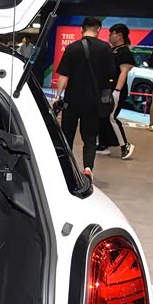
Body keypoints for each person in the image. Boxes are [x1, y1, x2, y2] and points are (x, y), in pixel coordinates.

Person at [54, 17, 117, 181]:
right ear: (99, 30)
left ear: (81, 29)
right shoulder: (105, 48)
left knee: (67, 135)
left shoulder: (72, 48)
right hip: (94, 101)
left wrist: (58, 96)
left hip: (72, 100)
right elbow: (112, 73)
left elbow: (63, 76)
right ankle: (88, 169)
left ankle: (66, 168)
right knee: (89, 138)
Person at [98, 23, 136, 160]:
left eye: (111, 34)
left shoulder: (124, 52)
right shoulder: (114, 50)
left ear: (119, 35)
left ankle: (125, 145)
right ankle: (104, 144)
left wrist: (117, 91)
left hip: (116, 90)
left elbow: (123, 72)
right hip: (107, 89)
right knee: (102, 117)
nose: (109, 36)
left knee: (111, 117)